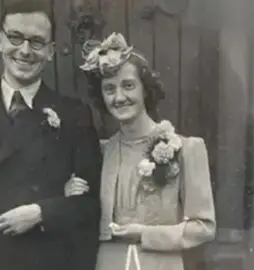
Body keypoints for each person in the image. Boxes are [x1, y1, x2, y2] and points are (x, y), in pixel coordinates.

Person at [0, 1, 102, 270]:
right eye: (15, 37)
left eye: (37, 42)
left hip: (48, 257)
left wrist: (41, 213)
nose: (25, 51)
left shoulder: (73, 114)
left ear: (50, 52)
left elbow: (90, 204)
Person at [66, 33, 216, 270]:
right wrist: (71, 194)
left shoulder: (187, 149)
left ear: (145, 89)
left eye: (128, 86)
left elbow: (204, 227)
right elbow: (85, 217)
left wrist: (145, 234)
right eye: (109, 89)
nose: (119, 97)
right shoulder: (102, 152)